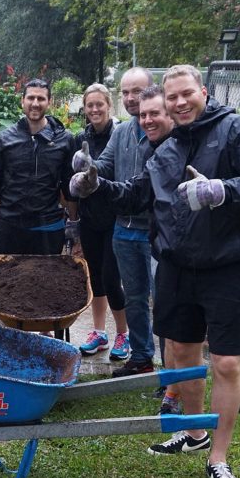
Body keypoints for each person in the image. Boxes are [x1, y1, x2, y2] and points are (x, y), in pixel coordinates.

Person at [70, 64, 240, 478]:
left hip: (227, 267)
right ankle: (193, 431)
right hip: (175, 267)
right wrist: (96, 186)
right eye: (172, 98)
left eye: (186, 93)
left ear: (202, 92)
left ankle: (219, 460)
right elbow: (135, 194)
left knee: (224, 363)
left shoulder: (235, 131)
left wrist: (223, 190)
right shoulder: (166, 150)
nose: (179, 102)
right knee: (180, 354)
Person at [73, 67, 156, 377]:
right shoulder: (122, 134)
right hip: (124, 226)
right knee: (132, 294)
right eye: (127, 92)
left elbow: (144, 184)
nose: (132, 98)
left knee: (158, 297)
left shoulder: (160, 129)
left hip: (152, 228)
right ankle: (142, 354)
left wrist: (98, 181)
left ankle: (170, 368)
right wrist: (86, 167)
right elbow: (104, 165)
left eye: (138, 91)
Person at [0, 78, 75, 256]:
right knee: (9, 282)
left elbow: (69, 186)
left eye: (41, 99)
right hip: (10, 227)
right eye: (31, 98)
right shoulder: (3, 140)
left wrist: (73, 222)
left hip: (48, 227)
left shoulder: (65, 140)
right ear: (23, 101)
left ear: (49, 102)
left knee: (46, 282)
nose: (35, 103)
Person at [71, 83, 128, 359]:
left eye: (99, 104)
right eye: (90, 105)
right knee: (94, 277)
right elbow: (72, 180)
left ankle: (122, 334)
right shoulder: (80, 138)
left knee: (111, 276)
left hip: (115, 216)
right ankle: (99, 333)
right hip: (89, 217)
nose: (94, 109)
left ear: (109, 105)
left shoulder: (121, 135)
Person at [135, 85, 181, 414]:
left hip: (187, 253)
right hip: (164, 247)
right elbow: (140, 194)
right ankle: (171, 384)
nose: (148, 120)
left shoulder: (181, 147)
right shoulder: (154, 151)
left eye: (155, 113)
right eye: (143, 115)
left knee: (179, 327)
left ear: (170, 115)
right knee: (165, 319)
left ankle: (176, 391)